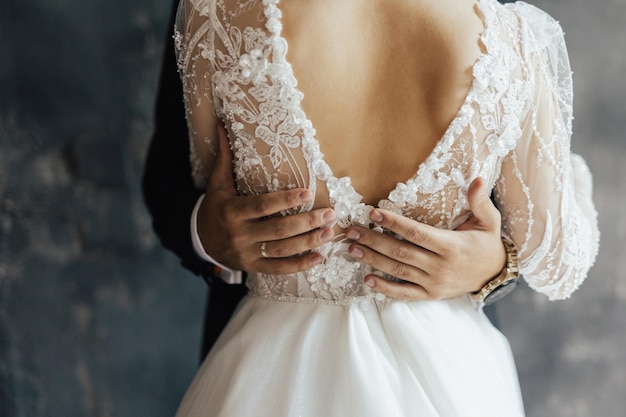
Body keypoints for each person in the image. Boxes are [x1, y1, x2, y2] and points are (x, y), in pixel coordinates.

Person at [173, 0, 600, 415]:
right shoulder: (513, 39)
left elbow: (208, 173)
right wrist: (572, 178)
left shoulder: (218, 11)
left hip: (269, 367)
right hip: (451, 367)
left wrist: (493, 264)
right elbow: (560, 261)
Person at [143, 0, 513, 358]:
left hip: (448, 348)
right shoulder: (213, 7)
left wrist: (497, 265)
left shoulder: (504, 18)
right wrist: (207, 235)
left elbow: (531, 195)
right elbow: (169, 175)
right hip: (263, 350)